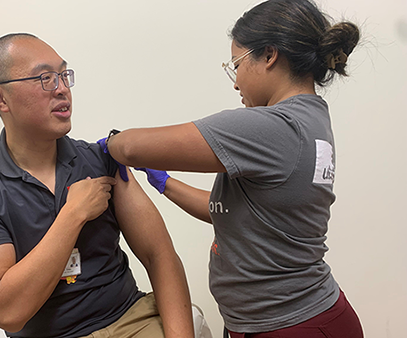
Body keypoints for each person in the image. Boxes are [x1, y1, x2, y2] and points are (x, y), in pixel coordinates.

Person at [103, 0, 364, 337]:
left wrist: (110, 143)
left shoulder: (273, 127)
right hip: (279, 319)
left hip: (294, 326)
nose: (236, 81)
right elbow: (229, 211)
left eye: (236, 64)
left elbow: (133, 147)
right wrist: (164, 183)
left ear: (269, 55)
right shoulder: (311, 119)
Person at [0, 33, 197, 338]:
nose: (62, 89)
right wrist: (73, 213)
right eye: (45, 78)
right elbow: (7, 313)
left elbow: (160, 255)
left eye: (64, 75)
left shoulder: (100, 159)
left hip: (131, 319)